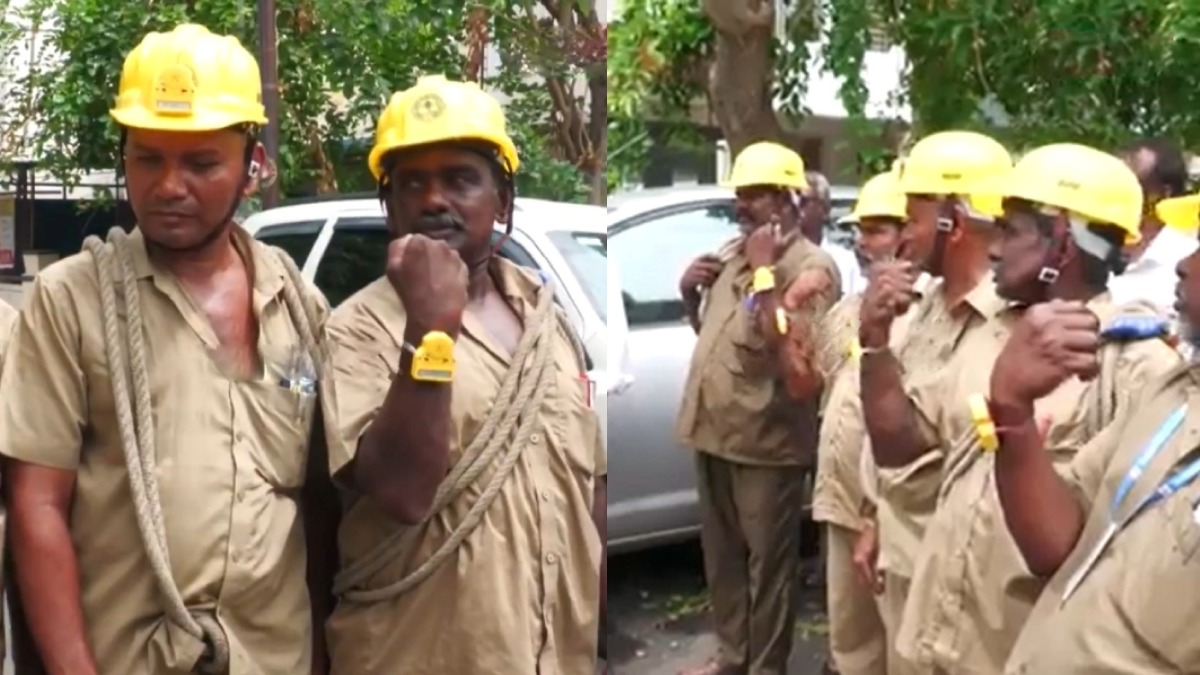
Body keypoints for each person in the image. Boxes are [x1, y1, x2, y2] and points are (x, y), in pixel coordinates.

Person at [0, 24, 333, 675]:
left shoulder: (298, 307)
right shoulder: (71, 302)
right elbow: (36, 507)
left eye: (201, 163)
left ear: (253, 165)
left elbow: (319, 508)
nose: (168, 185)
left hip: (274, 659)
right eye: (147, 158)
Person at [320, 75, 605, 674]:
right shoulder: (356, 331)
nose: (433, 200)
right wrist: (430, 328)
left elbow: (588, 488)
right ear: (389, 205)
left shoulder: (548, 321)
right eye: (411, 183)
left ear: (502, 200)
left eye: (458, 179)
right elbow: (402, 492)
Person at [882, 143, 1181, 675]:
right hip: (928, 645)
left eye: (1011, 230)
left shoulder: (1135, 367)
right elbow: (904, 445)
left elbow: (1120, 557)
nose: (994, 249)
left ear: (1062, 240)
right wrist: (871, 345)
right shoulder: (991, 329)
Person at [991, 174, 1200, 675]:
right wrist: (1011, 411)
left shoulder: (1138, 360)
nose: (1183, 263)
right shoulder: (1175, 391)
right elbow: (1057, 545)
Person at [677, 141, 841, 675]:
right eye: (740, 194)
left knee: (768, 571)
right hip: (713, 431)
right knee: (722, 561)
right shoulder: (734, 255)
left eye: (756, 194)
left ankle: (765, 667)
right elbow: (721, 340)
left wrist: (767, 272)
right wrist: (688, 295)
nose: (742, 204)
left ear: (789, 200)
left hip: (767, 443)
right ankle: (733, 657)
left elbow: (795, 361)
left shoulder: (812, 268)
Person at [855, 130, 1012, 675]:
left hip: (962, 588)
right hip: (904, 557)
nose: (903, 236)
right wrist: (875, 518)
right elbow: (899, 442)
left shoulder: (1011, 325)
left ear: (955, 222)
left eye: (912, 219)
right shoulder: (927, 306)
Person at [812, 170, 906, 675]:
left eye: (877, 230)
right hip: (840, 499)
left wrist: (880, 512)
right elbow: (819, 388)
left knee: (901, 643)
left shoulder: (927, 316)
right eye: (859, 232)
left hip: (895, 512)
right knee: (851, 640)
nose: (863, 243)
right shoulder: (847, 310)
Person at [1109, 137, 1198, 313]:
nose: (1114, 191)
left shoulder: (1187, 259)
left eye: (1132, 183)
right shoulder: (1081, 245)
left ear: (1164, 192)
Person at [805, 170, 866, 295]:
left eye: (804, 201)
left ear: (824, 209)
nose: (795, 206)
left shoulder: (844, 261)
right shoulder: (775, 257)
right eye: (790, 200)